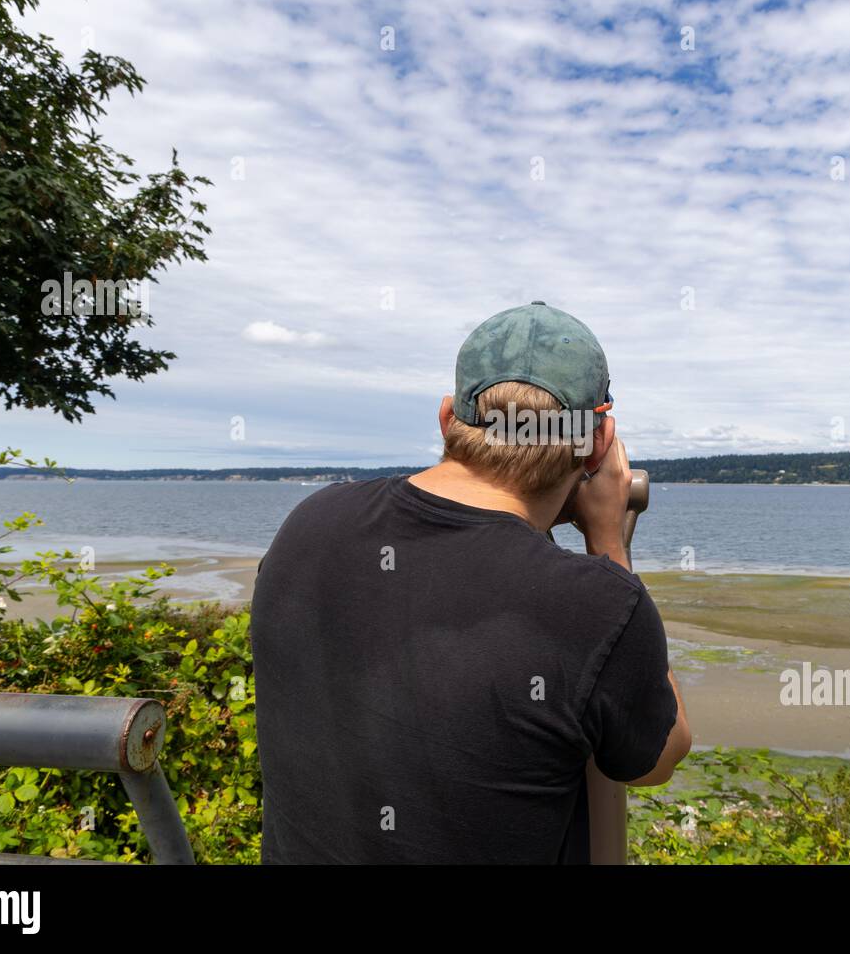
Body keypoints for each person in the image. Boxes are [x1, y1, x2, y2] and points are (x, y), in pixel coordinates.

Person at [251, 301, 690, 863]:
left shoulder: (311, 521)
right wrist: (609, 542)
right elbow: (657, 758)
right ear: (600, 443)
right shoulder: (597, 604)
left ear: (445, 417)